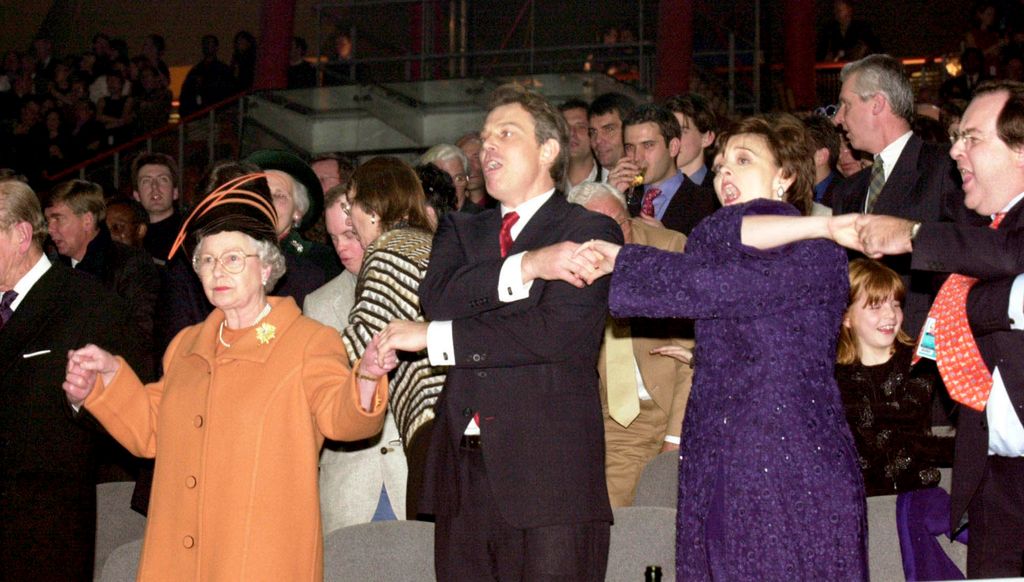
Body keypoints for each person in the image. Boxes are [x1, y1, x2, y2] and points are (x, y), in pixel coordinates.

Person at [62, 172, 395, 580]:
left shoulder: (307, 341)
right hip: (178, 562)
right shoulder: (187, 345)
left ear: (266, 267)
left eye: (233, 258)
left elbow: (342, 418)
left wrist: (366, 377)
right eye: (207, 260)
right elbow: (151, 429)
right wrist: (107, 379)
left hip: (261, 561)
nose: (217, 271)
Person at [577, 114, 866, 579]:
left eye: (743, 160)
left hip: (787, 458)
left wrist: (624, 261)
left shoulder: (817, 253)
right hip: (716, 448)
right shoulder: (715, 250)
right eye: (720, 165)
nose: (725, 171)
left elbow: (714, 284)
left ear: (785, 176)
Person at [377, 83, 621, 580]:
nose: (488, 146)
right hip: (461, 476)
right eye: (485, 137)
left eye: (506, 134)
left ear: (549, 150)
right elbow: (439, 299)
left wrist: (436, 338)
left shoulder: (588, 231)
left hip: (550, 479)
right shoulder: (461, 229)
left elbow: (554, 334)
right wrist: (528, 266)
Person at [846, 80, 1024, 578]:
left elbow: (1008, 258)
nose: (955, 151)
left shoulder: (994, 242)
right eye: (955, 137)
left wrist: (914, 235)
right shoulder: (985, 233)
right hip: (996, 479)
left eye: (972, 138)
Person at [0, 179, 144, 581]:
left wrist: (84, 399)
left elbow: (129, 408)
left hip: (43, 529)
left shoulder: (88, 303)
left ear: (21, 235)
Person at [566, 181, 693, 508]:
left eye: (620, 224)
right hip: (617, 422)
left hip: (675, 407)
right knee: (608, 518)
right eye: (599, 232)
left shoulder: (668, 249)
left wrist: (675, 439)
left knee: (671, 511)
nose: (614, 239)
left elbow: (691, 358)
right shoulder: (572, 264)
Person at [832, 53, 969, 337]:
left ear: (877, 103)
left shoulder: (945, 167)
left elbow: (966, 252)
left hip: (924, 342)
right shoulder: (848, 190)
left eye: (846, 105)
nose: (838, 118)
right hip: (860, 347)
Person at [341, 156, 446, 519]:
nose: (348, 219)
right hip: (464, 419)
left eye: (350, 205)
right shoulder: (432, 244)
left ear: (372, 210)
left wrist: (299, 354)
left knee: (431, 544)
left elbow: (362, 343)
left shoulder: (388, 249)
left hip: (433, 425)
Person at [306, 183, 407, 532]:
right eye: (333, 238)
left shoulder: (425, 284)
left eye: (350, 234)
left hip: (413, 480)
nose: (341, 248)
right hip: (350, 490)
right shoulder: (318, 304)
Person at [835, 258, 952, 496]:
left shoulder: (920, 361)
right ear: (846, 317)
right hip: (860, 499)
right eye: (876, 306)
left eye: (896, 304)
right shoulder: (833, 375)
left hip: (920, 493)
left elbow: (907, 421)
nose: (891, 314)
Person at [45, 180, 159, 379]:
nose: (50, 229)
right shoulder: (54, 272)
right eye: (48, 221)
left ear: (87, 220)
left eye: (58, 219)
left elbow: (141, 335)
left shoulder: (130, 264)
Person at [616, 103, 719, 237]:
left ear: (673, 147)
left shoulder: (707, 203)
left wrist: (670, 241)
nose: (636, 157)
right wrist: (611, 195)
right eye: (630, 147)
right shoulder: (622, 195)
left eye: (648, 145)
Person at [247, 149, 342, 280]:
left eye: (279, 196)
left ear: (298, 210)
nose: (268, 202)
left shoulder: (323, 261)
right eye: (261, 193)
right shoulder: (226, 250)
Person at [131, 152, 182, 264]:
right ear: (137, 195)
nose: (154, 186)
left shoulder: (189, 233)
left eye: (163, 179)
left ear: (175, 192)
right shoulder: (130, 236)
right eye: (146, 181)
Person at [663, 93, 718, 186]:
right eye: (667, 131)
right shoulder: (647, 188)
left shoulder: (719, 190)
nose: (672, 140)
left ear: (707, 138)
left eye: (681, 131)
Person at [588, 92, 635, 183]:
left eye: (608, 129)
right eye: (593, 132)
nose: (598, 140)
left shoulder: (649, 186)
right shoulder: (586, 190)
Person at [559, 98, 600, 188]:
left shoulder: (609, 180)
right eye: (565, 127)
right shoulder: (548, 183)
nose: (572, 133)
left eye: (581, 127)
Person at [418, 144, 471, 212]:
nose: (453, 187)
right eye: (444, 179)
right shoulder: (417, 216)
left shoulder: (479, 217)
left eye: (459, 179)